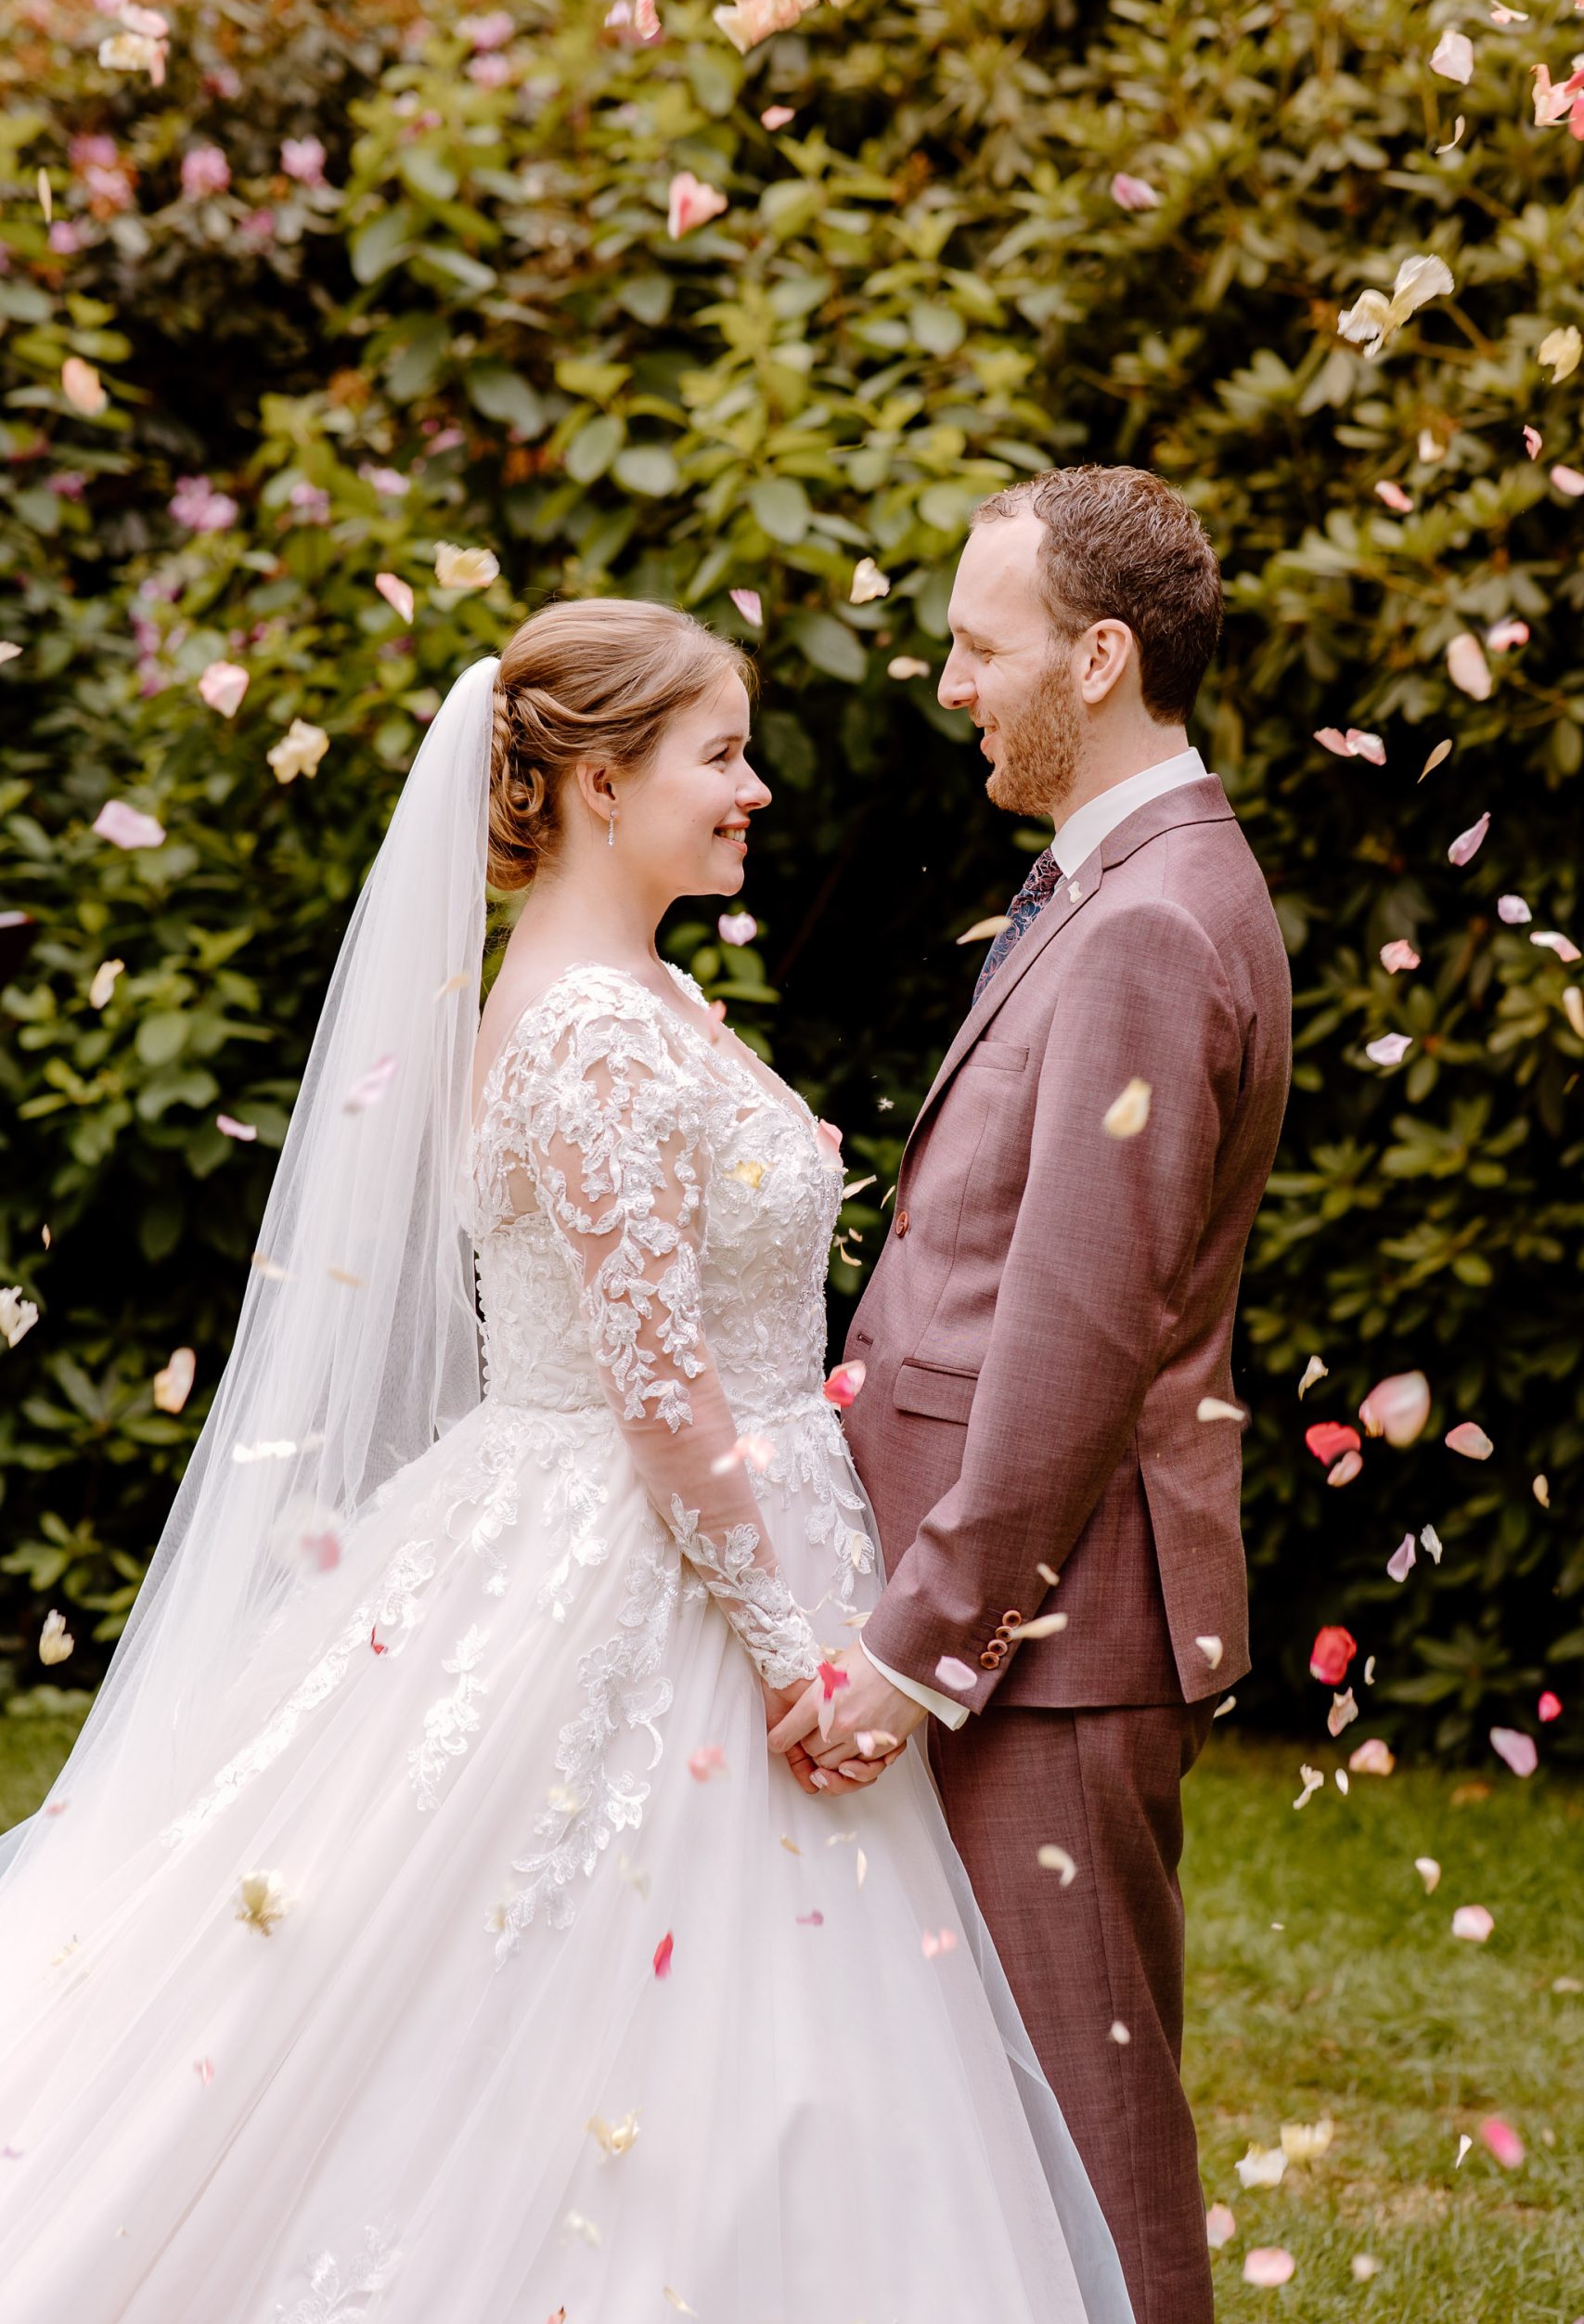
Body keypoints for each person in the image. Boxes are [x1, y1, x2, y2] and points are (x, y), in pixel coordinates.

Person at [0, 599, 1133, 2322]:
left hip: (676, 1526)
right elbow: (662, 1393)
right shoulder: (594, 1027)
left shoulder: (637, 991)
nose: (754, 790)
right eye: (721, 755)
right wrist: (798, 1659)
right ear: (602, 783)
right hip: (651, 1557)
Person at [772, 467, 1293, 2324]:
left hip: (1051, 1630)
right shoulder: (1117, 879)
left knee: (1084, 2133)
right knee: (994, 2132)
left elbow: (1072, 1333)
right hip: (1016, 1609)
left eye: (976, 645)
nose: (944, 679)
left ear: (1097, 653)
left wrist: (921, 1643)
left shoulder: (1151, 921)